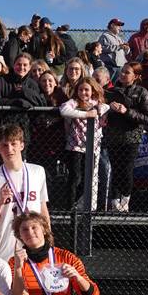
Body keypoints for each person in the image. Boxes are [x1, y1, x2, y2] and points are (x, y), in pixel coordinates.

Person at [0, 123, 50, 261]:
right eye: (4, 145)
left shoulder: (37, 171)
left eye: (13, 144)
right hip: (6, 242)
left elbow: (43, 208)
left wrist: (48, 237)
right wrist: (0, 202)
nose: (9, 149)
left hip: (35, 239)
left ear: (22, 145)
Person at [103, 61, 148, 212]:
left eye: (127, 72)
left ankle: (125, 201)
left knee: (126, 170)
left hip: (131, 138)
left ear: (136, 76)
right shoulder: (112, 91)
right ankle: (114, 203)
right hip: (113, 137)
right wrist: (108, 108)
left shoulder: (141, 92)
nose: (123, 74)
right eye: (122, 71)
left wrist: (126, 111)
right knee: (115, 169)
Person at [59, 77, 109, 210]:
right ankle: (69, 207)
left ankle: (80, 204)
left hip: (91, 147)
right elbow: (64, 110)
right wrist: (86, 114)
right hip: (75, 146)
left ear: (92, 91)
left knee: (89, 177)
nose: (83, 93)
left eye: (86, 90)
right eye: (80, 89)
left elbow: (105, 107)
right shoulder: (74, 102)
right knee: (76, 177)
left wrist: (98, 109)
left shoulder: (96, 104)